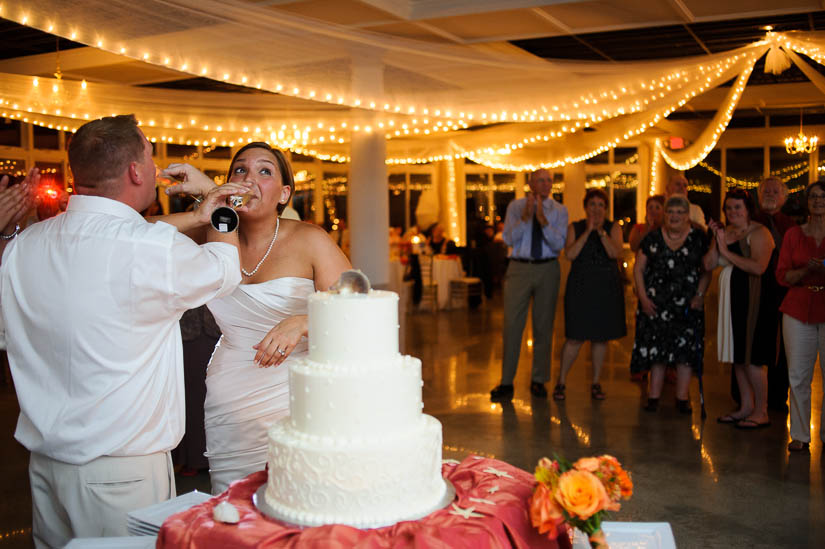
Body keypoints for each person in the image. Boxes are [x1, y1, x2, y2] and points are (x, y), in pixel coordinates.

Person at [0, 114, 245, 548]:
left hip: (45, 468)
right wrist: (215, 196)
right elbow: (224, 271)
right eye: (150, 157)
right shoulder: (151, 248)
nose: (154, 169)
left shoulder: (23, 247)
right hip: (121, 473)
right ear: (135, 170)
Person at [163, 142, 350, 493]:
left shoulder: (309, 239)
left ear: (284, 194)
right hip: (229, 400)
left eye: (265, 171)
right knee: (234, 510)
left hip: (299, 396)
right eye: (240, 170)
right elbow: (132, 237)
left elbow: (359, 306)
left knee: (299, 504)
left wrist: (305, 321)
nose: (250, 179)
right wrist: (208, 199)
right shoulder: (206, 235)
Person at [490, 169, 568, 401]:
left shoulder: (559, 211)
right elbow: (508, 239)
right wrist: (526, 218)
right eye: (541, 180)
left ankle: (538, 380)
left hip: (547, 267)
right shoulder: (516, 206)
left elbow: (558, 244)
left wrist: (542, 220)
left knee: (544, 325)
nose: (546, 184)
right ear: (531, 183)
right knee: (512, 325)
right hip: (519, 267)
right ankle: (506, 382)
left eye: (549, 181)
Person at [630, 196, 710, 412]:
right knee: (658, 353)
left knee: (684, 354)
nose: (674, 216)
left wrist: (700, 296)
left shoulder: (698, 238)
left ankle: (682, 399)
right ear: (665, 215)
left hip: (687, 304)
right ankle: (653, 397)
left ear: (687, 216)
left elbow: (706, 271)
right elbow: (638, 269)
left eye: (679, 212)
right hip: (655, 304)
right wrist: (644, 298)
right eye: (670, 212)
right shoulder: (653, 237)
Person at [704, 188, 775, 429]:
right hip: (730, 303)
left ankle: (761, 410)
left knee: (753, 357)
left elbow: (759, 267)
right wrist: (716, 240)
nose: (732, 212)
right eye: (729, 208)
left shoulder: (759, 232)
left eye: (737, 207)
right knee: (738, 356)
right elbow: (708, 264)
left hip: (753, 300)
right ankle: (745, 406)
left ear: (747, 209)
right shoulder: (726, 233)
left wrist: (726, 252)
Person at [553, 188, 626, 401]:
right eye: (592, 204)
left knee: (600, 338)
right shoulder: (574, 227)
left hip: (606, 287)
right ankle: (561, 381)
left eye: (600, 205)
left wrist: (601, 232)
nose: (596, 209)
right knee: (575, 337)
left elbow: (615, 253)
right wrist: (588, 232)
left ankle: (596, 382)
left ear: (606, 209)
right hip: (581, 287)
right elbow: (570, 254)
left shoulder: (613, 228)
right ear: (586, 207)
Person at [776, 181, 825, 452]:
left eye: (823, 196)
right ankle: (800, 435)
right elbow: (782, 275)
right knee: (798, 375)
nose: (818, 201)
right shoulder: (794, 234)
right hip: (797, 306)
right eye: (814, 197)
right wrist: (807, 269)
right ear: (808, 202)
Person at [754, 176, 796, 411]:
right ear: (759, 196)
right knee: (754, 343)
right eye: (766, 191)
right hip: (754, 289)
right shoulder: (750, 220)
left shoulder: (791, 226)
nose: (770, 194)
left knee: (784, 347)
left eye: (775, 191)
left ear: (784, 197)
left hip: (782, 292)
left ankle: (778, 396)